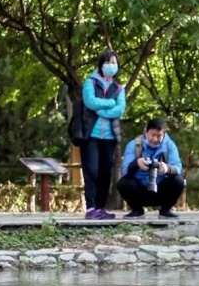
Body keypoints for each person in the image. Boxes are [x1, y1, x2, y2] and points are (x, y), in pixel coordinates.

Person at [79, 49, 126, 219]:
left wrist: (102, 110)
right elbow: (90, 102)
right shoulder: (90, 82)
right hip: (91, 135)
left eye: (114, 63)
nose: (111, 66)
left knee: (106, 173)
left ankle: (100, 207)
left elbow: (120, 109)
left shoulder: (119, 88)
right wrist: (110, 104)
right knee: (91, 171)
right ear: (101, 64)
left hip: (110, 137)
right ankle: (91, 208)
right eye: (108, 62)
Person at [117, 117, 185, 219]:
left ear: (164, 134)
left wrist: (167, 168)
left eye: (159, 136)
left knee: (179, 181)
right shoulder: (134, 145)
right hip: (140, 189)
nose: (155, 139)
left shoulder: (169, 145)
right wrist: (137, 163)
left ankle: (165, 211)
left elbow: (178, 167)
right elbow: (125, 170)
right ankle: (137, 210)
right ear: (146, 131)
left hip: (161, 188)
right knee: (123, 183)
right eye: (152, 135)